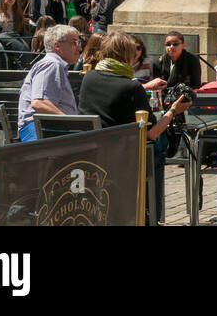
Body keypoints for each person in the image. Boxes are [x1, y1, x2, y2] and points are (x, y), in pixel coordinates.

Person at [77, 30, 193, 224]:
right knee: (158, 149)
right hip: (123, 158)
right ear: (127, 55)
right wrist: (173, 110)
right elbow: (152, 133)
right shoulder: (131, 87)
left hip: (93, 154)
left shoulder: (89, 78)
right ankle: (151, 216)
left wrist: (144, 88)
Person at [16, 24, 82, 141]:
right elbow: (39, 103)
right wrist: (73, 124)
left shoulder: (54, 64)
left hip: (48, 128)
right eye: (74, 43)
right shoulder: (51, 63)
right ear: (57, 46)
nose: (79, 48)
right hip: (42, 130)